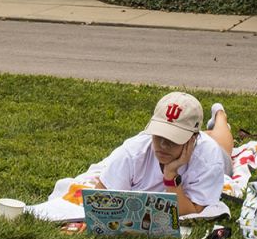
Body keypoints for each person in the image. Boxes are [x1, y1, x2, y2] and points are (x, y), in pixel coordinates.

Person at [91, 91, 234, 216]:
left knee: (223, 145)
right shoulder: (132, 151)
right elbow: (100, 197)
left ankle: (220, 116)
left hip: (213, 149)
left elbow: (191, 211)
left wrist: (171, 175)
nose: (163, 145)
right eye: (159, 134)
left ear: (193, 138)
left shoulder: (209, 158)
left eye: (173, 138)